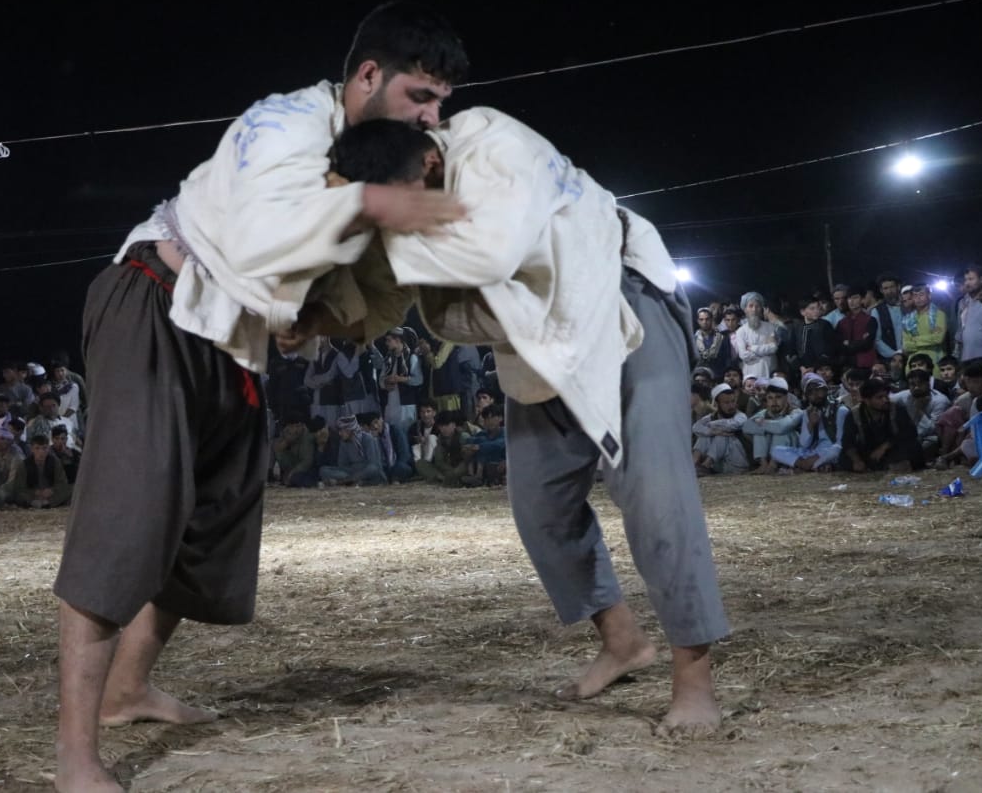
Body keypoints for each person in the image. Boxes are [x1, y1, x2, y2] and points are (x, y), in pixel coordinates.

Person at [51, 1, 470, 792]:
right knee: (126, 519)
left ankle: (128, 689)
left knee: (210, 521)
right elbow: (262, 234)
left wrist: (325, 311)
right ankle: (76, 757)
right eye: (421, 95)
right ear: (368, 75)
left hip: (232, 340)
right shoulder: (282, 123)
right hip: (158, 299)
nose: (433, 116)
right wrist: (375, 204)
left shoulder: (379, 156)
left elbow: (364, 288)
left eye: (442, 103)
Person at [308, 112, 729, 735]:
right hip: (530, 334)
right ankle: (622, 640)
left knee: (656, 497)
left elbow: (490, 252)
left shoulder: (494, 144)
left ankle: (694, 683)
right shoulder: (399, 201)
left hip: (617, 297)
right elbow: (378, 298)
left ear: (426, 164)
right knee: (539, 505)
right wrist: (313, 313)